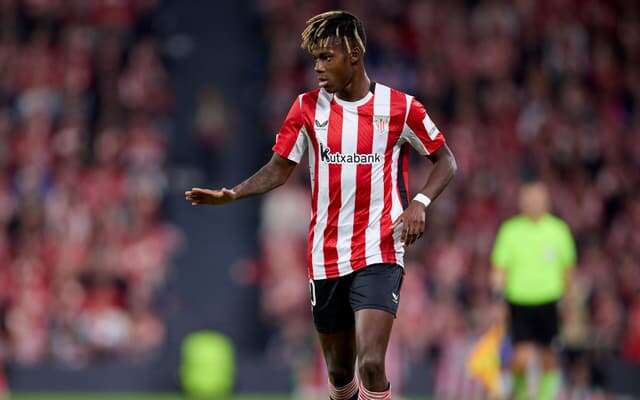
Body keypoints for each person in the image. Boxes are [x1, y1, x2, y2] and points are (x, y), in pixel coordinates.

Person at [185, 11, 457, 400]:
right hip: (326, 255)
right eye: (315, 59)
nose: (317, 67)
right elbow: (279, 169)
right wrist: (233, 193)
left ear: (354, 55)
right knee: (341, 372)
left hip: (380, 248)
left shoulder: (400, 108)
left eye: (327, 57)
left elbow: (446, 160)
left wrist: (420, 201)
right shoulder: (306, 108)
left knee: (371, 362)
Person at [491, 181, 577, 400]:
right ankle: (519, 395)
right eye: (529, 199)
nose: (533, 203)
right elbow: (499, 269)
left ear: (547, 201)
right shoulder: (510, 230)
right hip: (520, 302)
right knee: (521, 358)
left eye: (538, 198)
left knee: (549, 357)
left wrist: (570, 303)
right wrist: (498, 299)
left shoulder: (559, 230)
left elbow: (568, 270)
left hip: (550, 302)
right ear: (522, 202)